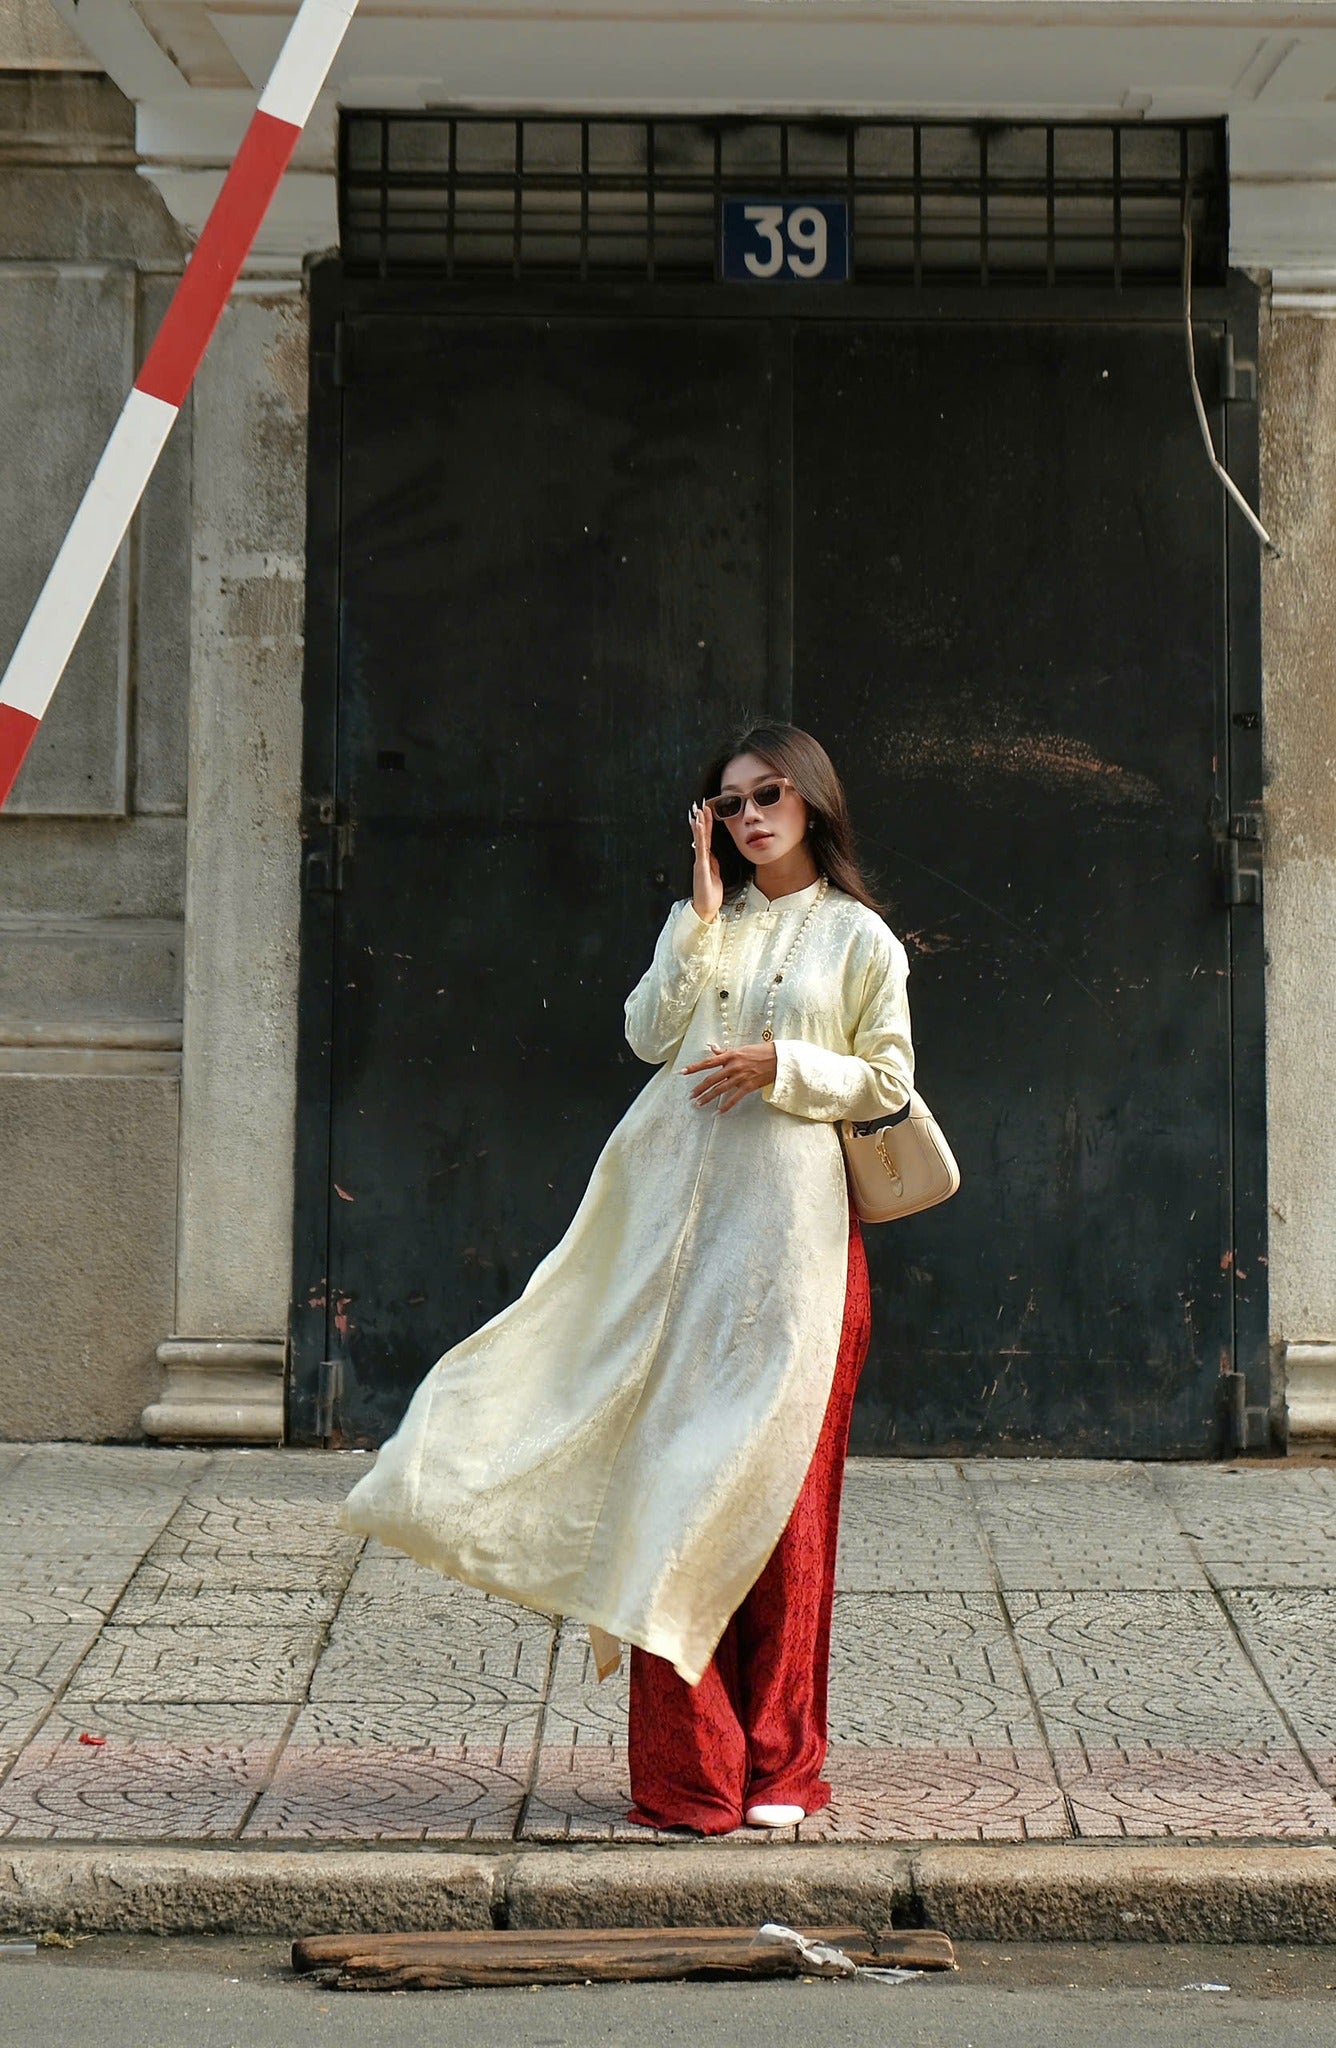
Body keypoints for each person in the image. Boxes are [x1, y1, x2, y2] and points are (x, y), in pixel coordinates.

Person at [340, 721, 914, 1834]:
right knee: (667, 1502)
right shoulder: (705, 924)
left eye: (769, 795)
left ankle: (782, 1765)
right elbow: (649, 1034)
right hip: (672, 1257)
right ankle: (689, 1773)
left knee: (785, 1514)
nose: (750, 817)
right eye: (729, 803)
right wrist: (695, 914)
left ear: (813, 802)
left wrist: (784, 1063)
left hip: (795, 1261)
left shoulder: (860, 939)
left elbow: (887, 1079)